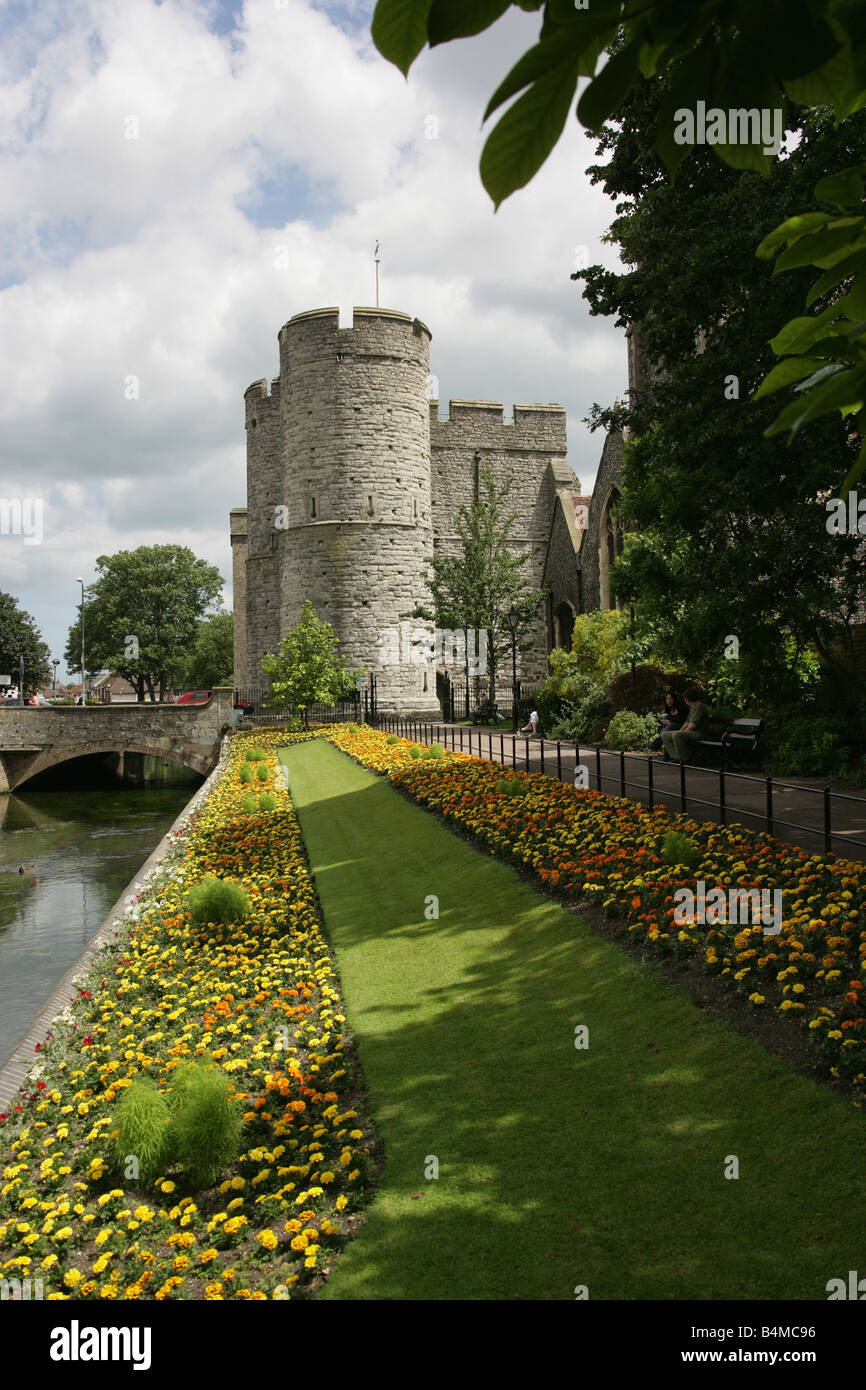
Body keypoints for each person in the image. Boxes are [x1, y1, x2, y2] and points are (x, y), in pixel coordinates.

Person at [661, 687, 710, 763]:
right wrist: (680, 730)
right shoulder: (693, 707)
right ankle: (676, 757)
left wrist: (682, 732)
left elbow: (693, 724)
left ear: (686, 699)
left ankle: (685, 759)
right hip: (692, 732)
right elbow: (687, 722)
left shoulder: (699, 706)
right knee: (665, 735)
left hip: (699, 732)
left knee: (677, 735)